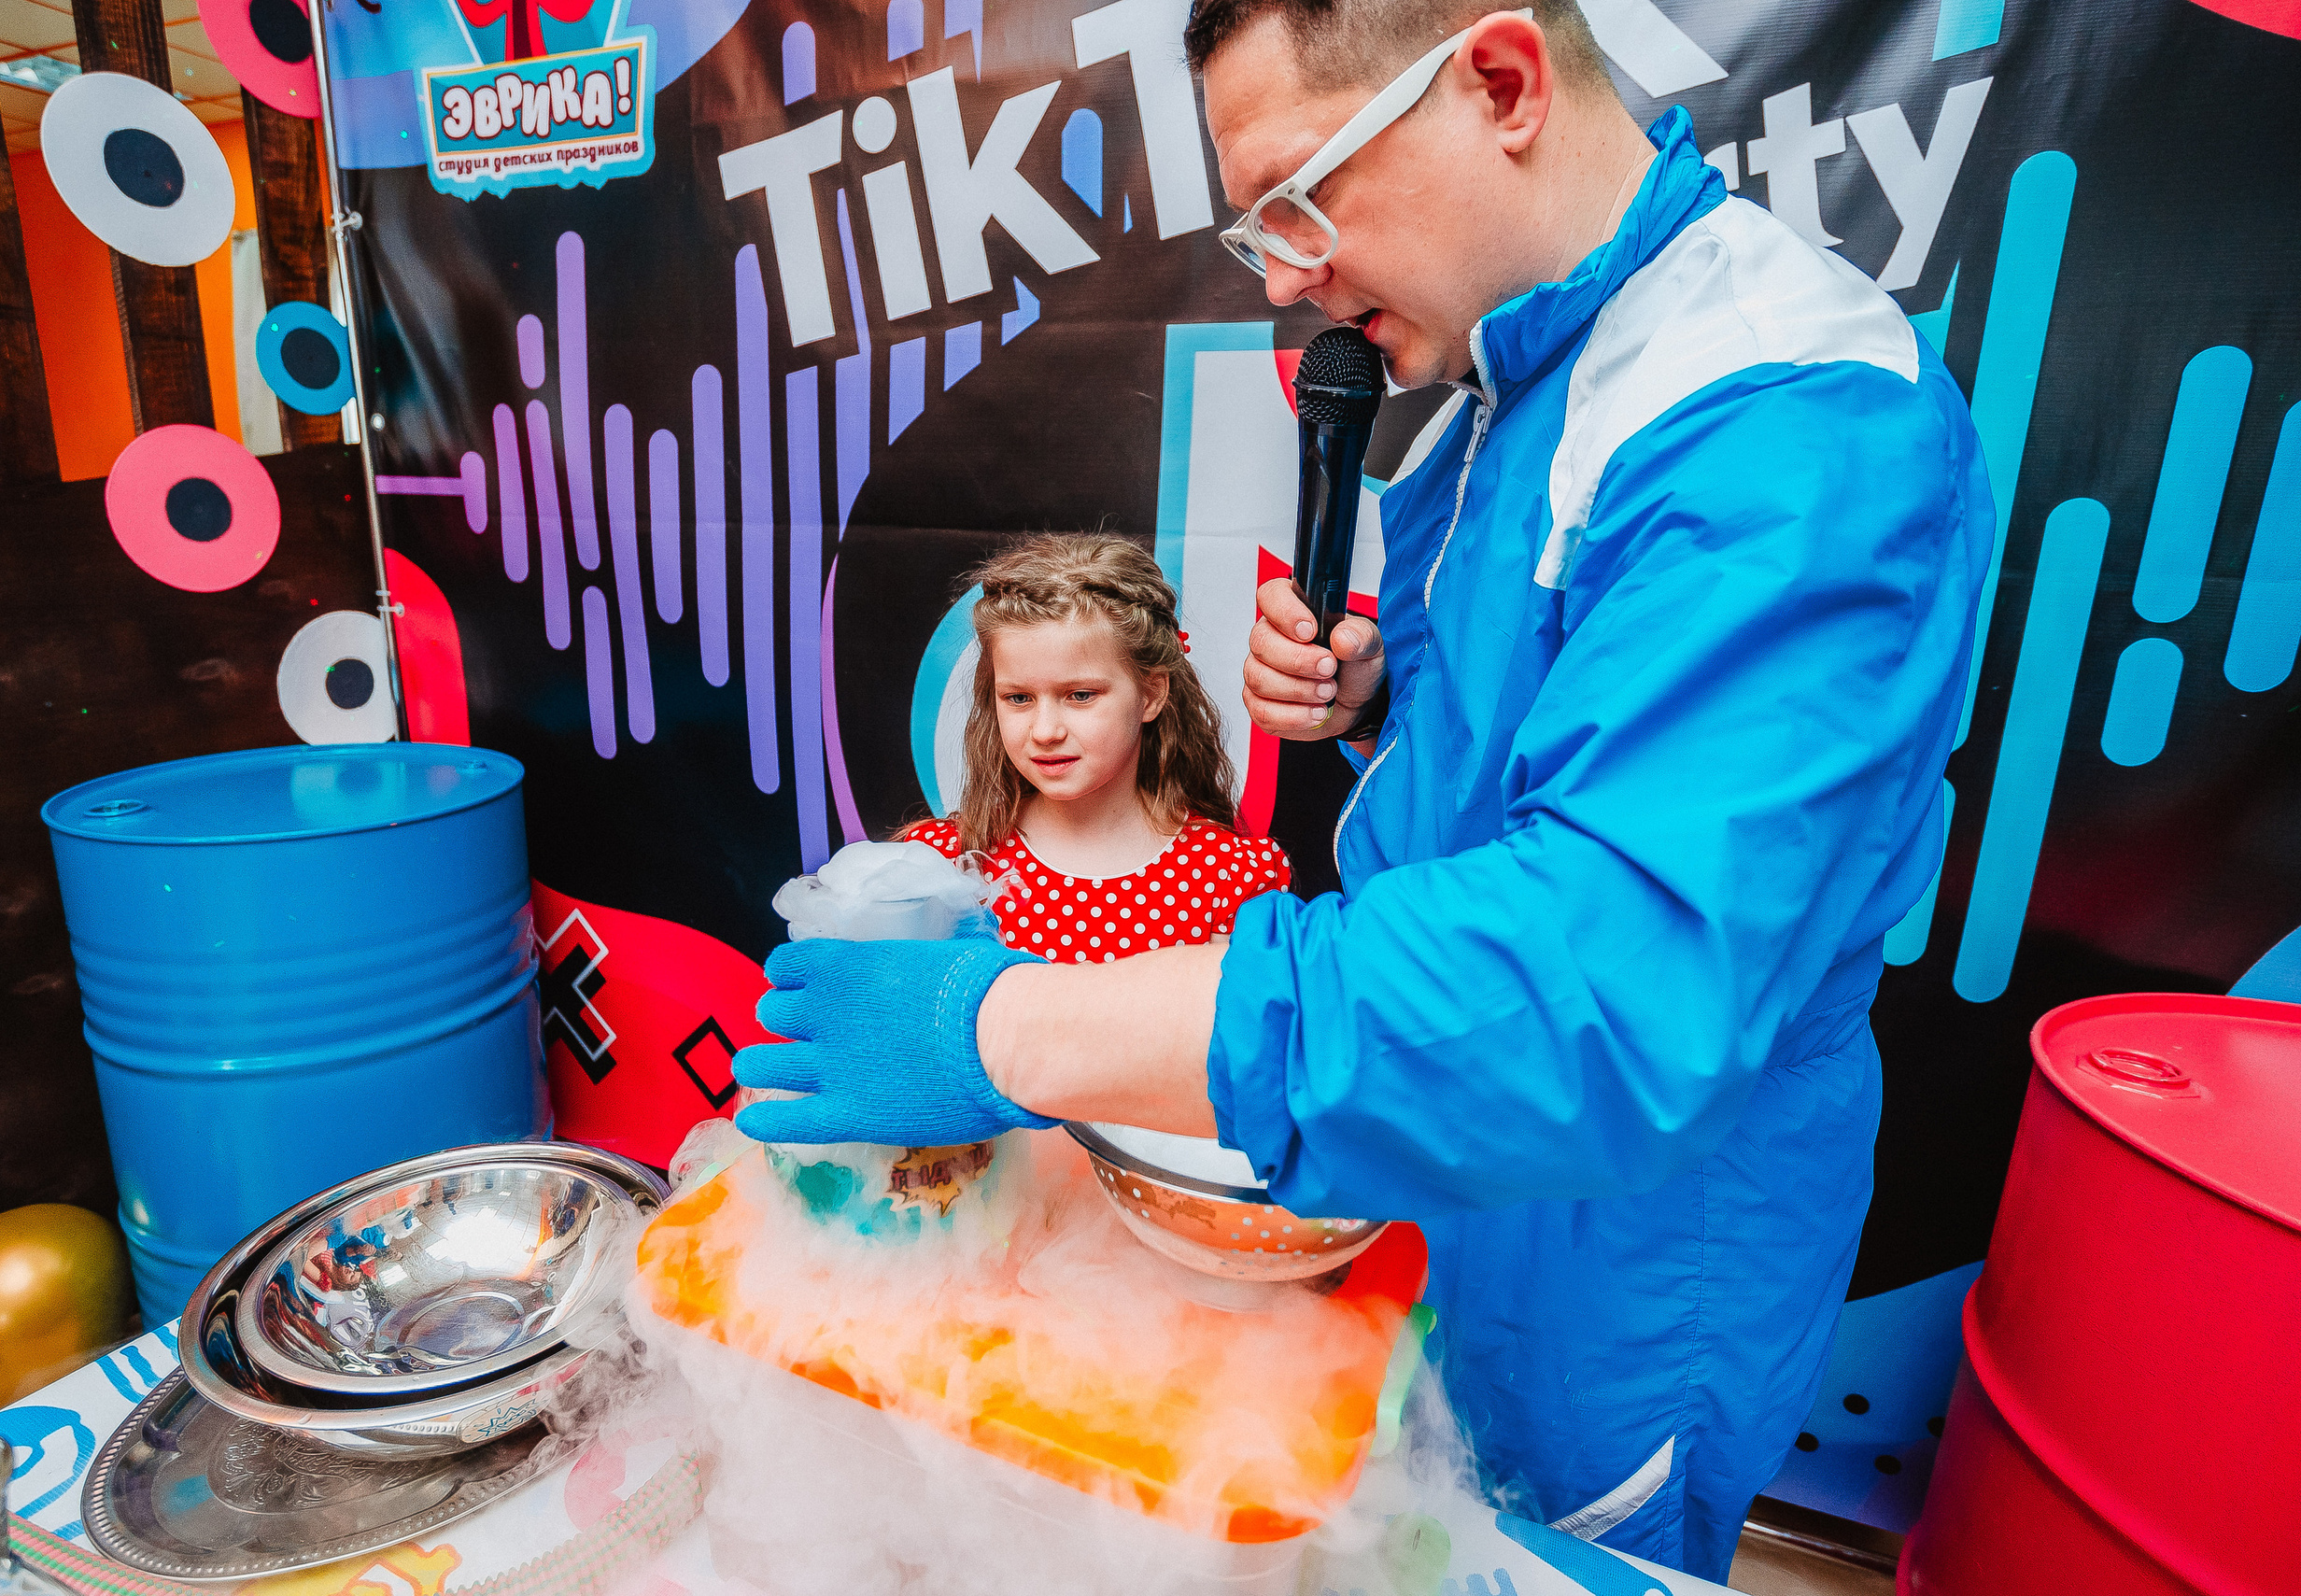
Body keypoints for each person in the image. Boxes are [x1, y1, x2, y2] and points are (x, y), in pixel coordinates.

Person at [735, 0, 1993, 1576]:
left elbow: (1603, 982)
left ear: (1499, 81)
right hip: (1449, 1144)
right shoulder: (1499, 383)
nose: (1279, 272)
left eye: (1297, 197)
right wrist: (1382, 690)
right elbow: (1545, 735)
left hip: (1634, 1222)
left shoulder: (1786, 425)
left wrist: (1003, 1027)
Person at [893, 534, 1293, 961]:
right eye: (1019, 698)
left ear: (1152, 693)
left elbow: (1233, 1025)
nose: (1045, 731)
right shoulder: (938, 865)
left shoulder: (1229, 876)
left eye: (1080, 695)